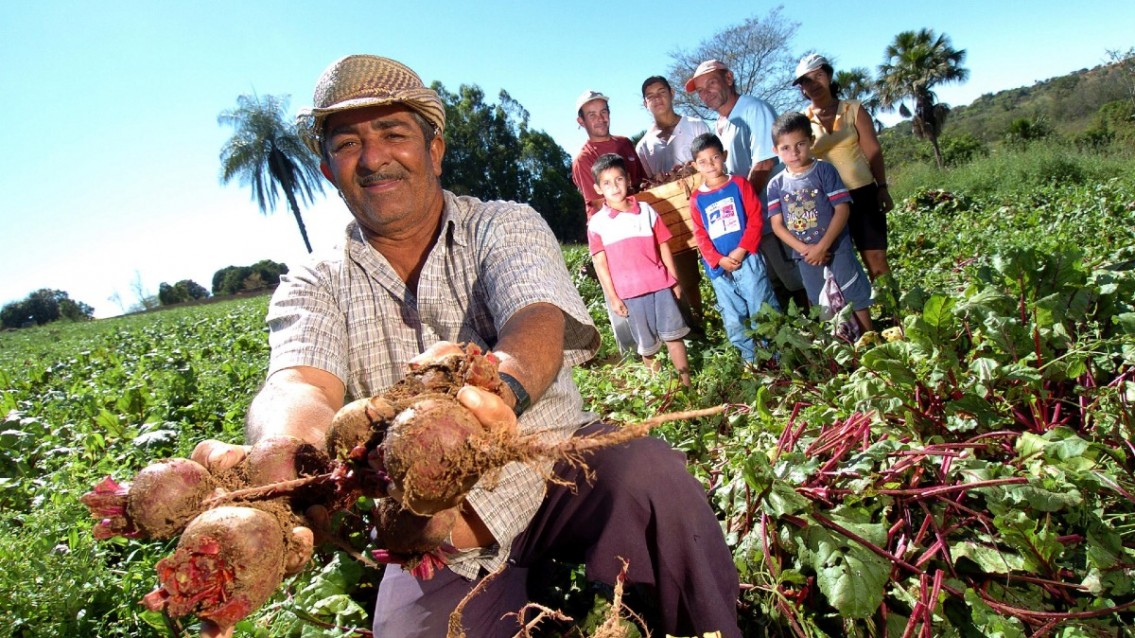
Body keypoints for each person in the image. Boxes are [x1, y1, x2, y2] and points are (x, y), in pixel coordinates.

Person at [192, 55, 740, 638]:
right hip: (434, 532)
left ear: (434, 150)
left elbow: (534, 319)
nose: (374, 158)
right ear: (329, 169)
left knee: (650, 473)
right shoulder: (314, 280)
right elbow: (297, 383)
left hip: (555, 465)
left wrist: (496, 390)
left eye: (393, 134)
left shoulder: (502, 224)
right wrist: (290, 460)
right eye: (348, 143)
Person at [686, 59, 808, 311]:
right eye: (700, 90)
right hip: (754, 225)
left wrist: (743, 208)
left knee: (796, 277)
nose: (706, 93)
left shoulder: (753, 109)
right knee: (772, 283)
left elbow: (764, 163)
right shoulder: (720, 124)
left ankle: (820, 333)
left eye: (711, 83)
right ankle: (789, 338)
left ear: (729, 78)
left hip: (773, 214)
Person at [587, 153, 692, 385]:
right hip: (630, 295)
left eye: (619, 179)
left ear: (628, 180)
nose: (614, 187)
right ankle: (661, 389)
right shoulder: (597, 224)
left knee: (674, 338)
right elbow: (600, 264)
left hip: (660, 286)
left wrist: (673, 280)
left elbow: (664, 247)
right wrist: (614, 297)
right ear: (598, 188)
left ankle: (686, 386)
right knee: (648, 347)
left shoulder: (645, 210)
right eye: (607, 183)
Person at [765, 112, 874, 334]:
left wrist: (822, 246)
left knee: (855, 294)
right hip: (804, 257)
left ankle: (870, 339)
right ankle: (838, 347)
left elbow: (842, 209)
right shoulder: (775, 185)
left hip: (837, 248)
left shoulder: (824, 170)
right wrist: (807, 250)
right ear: (775, 150)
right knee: (820, 302)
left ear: (811, 141)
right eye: (785, 148)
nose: (794, 152)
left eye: (800, 144)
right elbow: (777, 225)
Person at [794, 53, 895, 280]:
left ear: (829, 76)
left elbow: (873, 151)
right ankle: (858, 313)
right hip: (827, 202)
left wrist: (882, 187)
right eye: (806, 81)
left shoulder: (853, 109)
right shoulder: (802, 121)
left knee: (876, 258)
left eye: (818, 76)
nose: (814, 84)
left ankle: (894, 312)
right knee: (840, 262)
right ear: (802, 89)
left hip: (863, 193)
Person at [688, 133, 781, 361]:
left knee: (762, 306)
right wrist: (718, 260)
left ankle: (777, 357)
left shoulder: (739, 184)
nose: (710, 165)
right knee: (733, 316)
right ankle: (749, 360)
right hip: (719, 270)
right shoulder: (697, 198)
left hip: (747, 260)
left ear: (725, 156)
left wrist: (741, 251)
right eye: (703, 161)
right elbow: (700, 234)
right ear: (695, 166)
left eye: (715, 157)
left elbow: (756, 219)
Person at [571, 89, 644, 354]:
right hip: (610, 232)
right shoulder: (583, 158)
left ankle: (657, 340)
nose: (600, 118)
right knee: (618, 288)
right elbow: (600, 202)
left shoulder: (625, 144)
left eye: (604, 112)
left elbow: (643, 183)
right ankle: (632, 352)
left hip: (637, 224)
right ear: (582, 121)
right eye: (592, 115)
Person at [634, 75, 709, 330]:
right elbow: (647, 184)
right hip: (675, 219)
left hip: (707, 209)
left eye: (661, 92)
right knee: (686, 279)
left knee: (721, 265)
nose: (657, 99)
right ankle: (697, 325)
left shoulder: (695, 125)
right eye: (650, 96)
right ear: (645, 104)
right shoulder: (644, 146)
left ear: (672, 93)